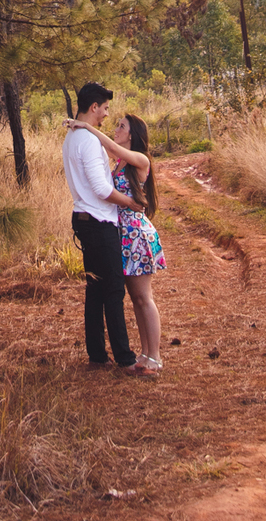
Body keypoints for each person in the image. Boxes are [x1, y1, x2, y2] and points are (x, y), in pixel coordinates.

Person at [68, 110, 167, 375]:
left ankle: (154, 357)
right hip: (121, 235)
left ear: (132, 135)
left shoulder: (139, 159)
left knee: (144, 297)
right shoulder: (120, 164)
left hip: (136, 234)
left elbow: (109, 146)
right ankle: (145, 355)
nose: (116, 128)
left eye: (121, 126)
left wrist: (85, 126)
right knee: (135, 298)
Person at [61, 81, 149, 374]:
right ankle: (124, 358)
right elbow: (101, 188)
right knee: (112, 290)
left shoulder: (73, 137)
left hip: (83, 218)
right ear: (94, 107)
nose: (107, 115)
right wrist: (131, 203)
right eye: (106, 109)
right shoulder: (86, 141)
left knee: (95, 288)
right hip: (98, 221)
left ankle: (97, 353)